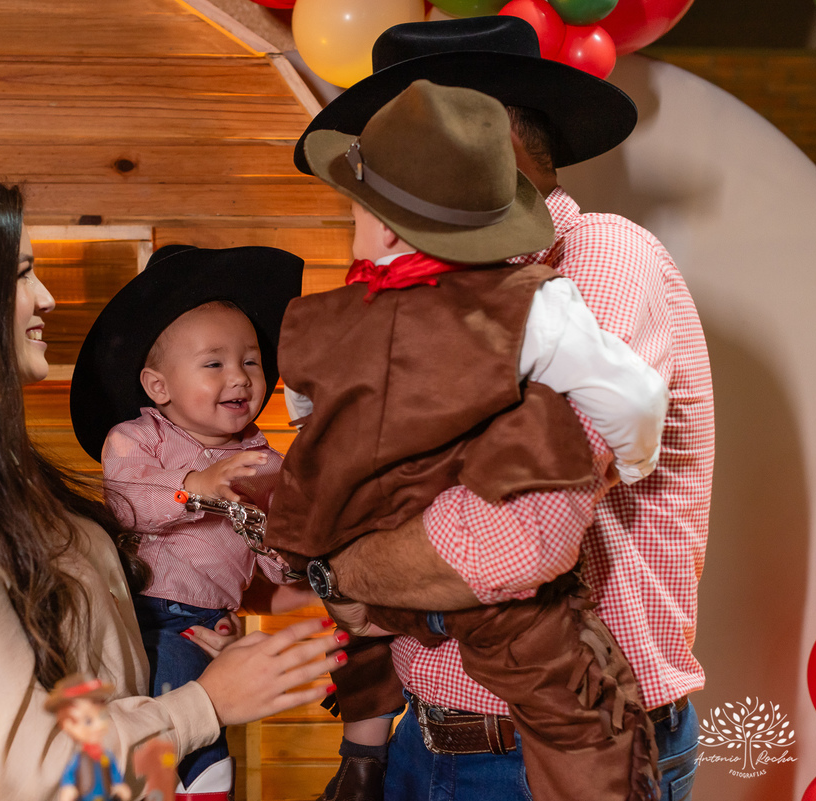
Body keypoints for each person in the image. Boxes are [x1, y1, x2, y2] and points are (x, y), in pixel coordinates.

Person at [290, 16, 714, 801]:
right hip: (436, 736)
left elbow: (520, 535)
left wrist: (343, 567)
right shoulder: (426, 299)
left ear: (479, 143)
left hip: (556, 746)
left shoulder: (598, 259)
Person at [0, 163, 344, 801]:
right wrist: (204, 704)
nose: (45, 297)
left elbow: (73, 673)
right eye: (22, 275)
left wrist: (183, 643)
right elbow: (37, 772)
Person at [68, 244, 308, 795]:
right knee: (180, 728)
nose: (241, 376)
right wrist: (195, 487)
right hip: (145, 616)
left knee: (208, 718)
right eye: (214, 363)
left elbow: (275, 570)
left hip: (212, 621)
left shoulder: (262, 460)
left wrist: (279, 542)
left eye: (251, 360)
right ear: (159, 387)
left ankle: (203, 780)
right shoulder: (136, 439)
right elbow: (129, 504)